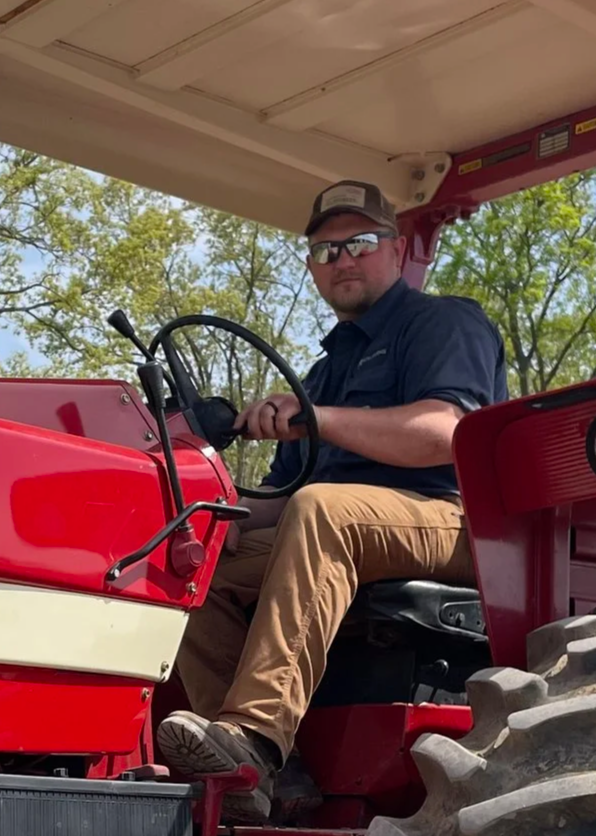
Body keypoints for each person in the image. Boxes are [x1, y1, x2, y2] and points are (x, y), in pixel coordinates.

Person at [156, 179, 508, 823]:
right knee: (190, 559)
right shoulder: (321, 372)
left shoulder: (442, 322)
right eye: (325, 250)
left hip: (454, 523)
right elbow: (283, 498)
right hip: (344, 523)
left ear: (397, 252)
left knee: (325, 509)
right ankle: (267, 779)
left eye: (360, 243)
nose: (342, 259)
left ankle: (255, 734)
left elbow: (444, 434)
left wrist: (315, 418)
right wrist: (213, 517)